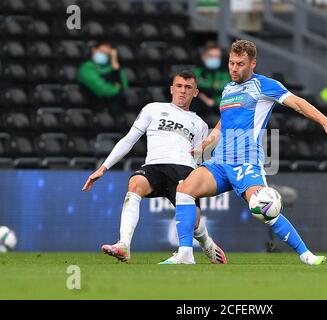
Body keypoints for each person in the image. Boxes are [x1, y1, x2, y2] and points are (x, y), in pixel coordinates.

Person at [160, 40, 327, 265]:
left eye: (240, 64)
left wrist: (325, 121)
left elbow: (297, 103)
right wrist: (206, 143)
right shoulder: (228, 88)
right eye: (231, 62)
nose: (233, 68)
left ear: (253, 64)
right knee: (184, 190)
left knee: (264, 209)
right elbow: (225, 121)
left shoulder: (264, 85)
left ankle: (307, 256)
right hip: (220, 162)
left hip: (246, 162)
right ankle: (185, 254)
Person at [82, 70, 227, 264]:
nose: (182, 91)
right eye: (179, 86)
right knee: (134, 184)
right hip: (154, 167)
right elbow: (129, 140)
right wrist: (104, 167)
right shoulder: (153, 108)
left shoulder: (199, 124)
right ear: (171, 89)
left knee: (195, 223)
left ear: (195, 92)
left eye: (188, 87)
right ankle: (124, 245)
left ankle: (207, 242)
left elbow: (198, 157)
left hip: (183, 170)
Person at [77, 41, 128, 113]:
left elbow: (124, 85)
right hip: (94, 109)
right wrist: (117, 88)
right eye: (101, 52)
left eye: (107, 54)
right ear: (94, 50)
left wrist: (114, 61)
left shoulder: (112, 67)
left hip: (115, 109)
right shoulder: (86, 68)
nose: (103, 55)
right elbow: (101, 90)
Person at [192, 41, 230, 115]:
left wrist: (215, 102)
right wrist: (203, 98)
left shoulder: (226, 74)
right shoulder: (195, 73)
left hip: (220, 112)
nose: (214, 59)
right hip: (197, 112)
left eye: (217, 57)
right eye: (211, 56)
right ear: (203, 56)